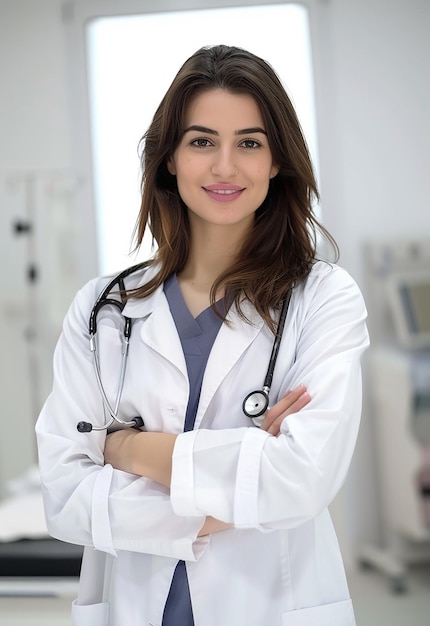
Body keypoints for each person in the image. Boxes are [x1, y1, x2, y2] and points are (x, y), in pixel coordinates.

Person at [36, 44, 369, 626]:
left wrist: (126, 450)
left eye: (248, 142)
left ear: (276, 161)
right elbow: (64, 494)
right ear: (169, 158)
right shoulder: (102, 310)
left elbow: (301, 479)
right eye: (200, 141)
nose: (224, 167)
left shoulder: (322, 298)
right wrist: (238, 488)